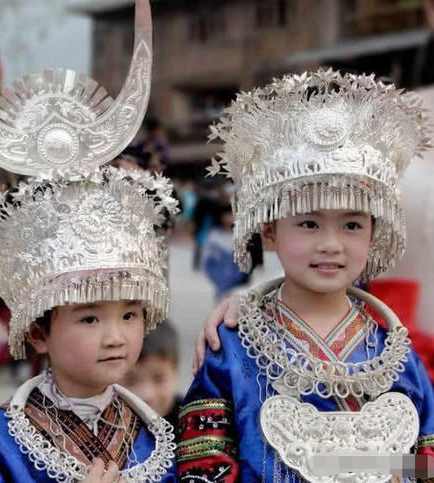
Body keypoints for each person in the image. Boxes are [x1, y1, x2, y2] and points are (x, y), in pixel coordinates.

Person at [0, 0, 180, 480]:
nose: (116, 337)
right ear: (38, 331)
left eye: (129, 314)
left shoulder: (156, 438)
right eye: (89, 316)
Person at [177, 69, 434, 482]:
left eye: (351, 225)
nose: (331, 244)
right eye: (309, 224)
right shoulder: (231, 347)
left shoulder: (398, 355)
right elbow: (202, 468)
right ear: (270, 230)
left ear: (374, 232)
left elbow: (426, 459)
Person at [122, 322, 182, 432]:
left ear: (175, 373)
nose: (147, 395)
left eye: (159, 379)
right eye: (130, 381)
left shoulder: (195, 426)